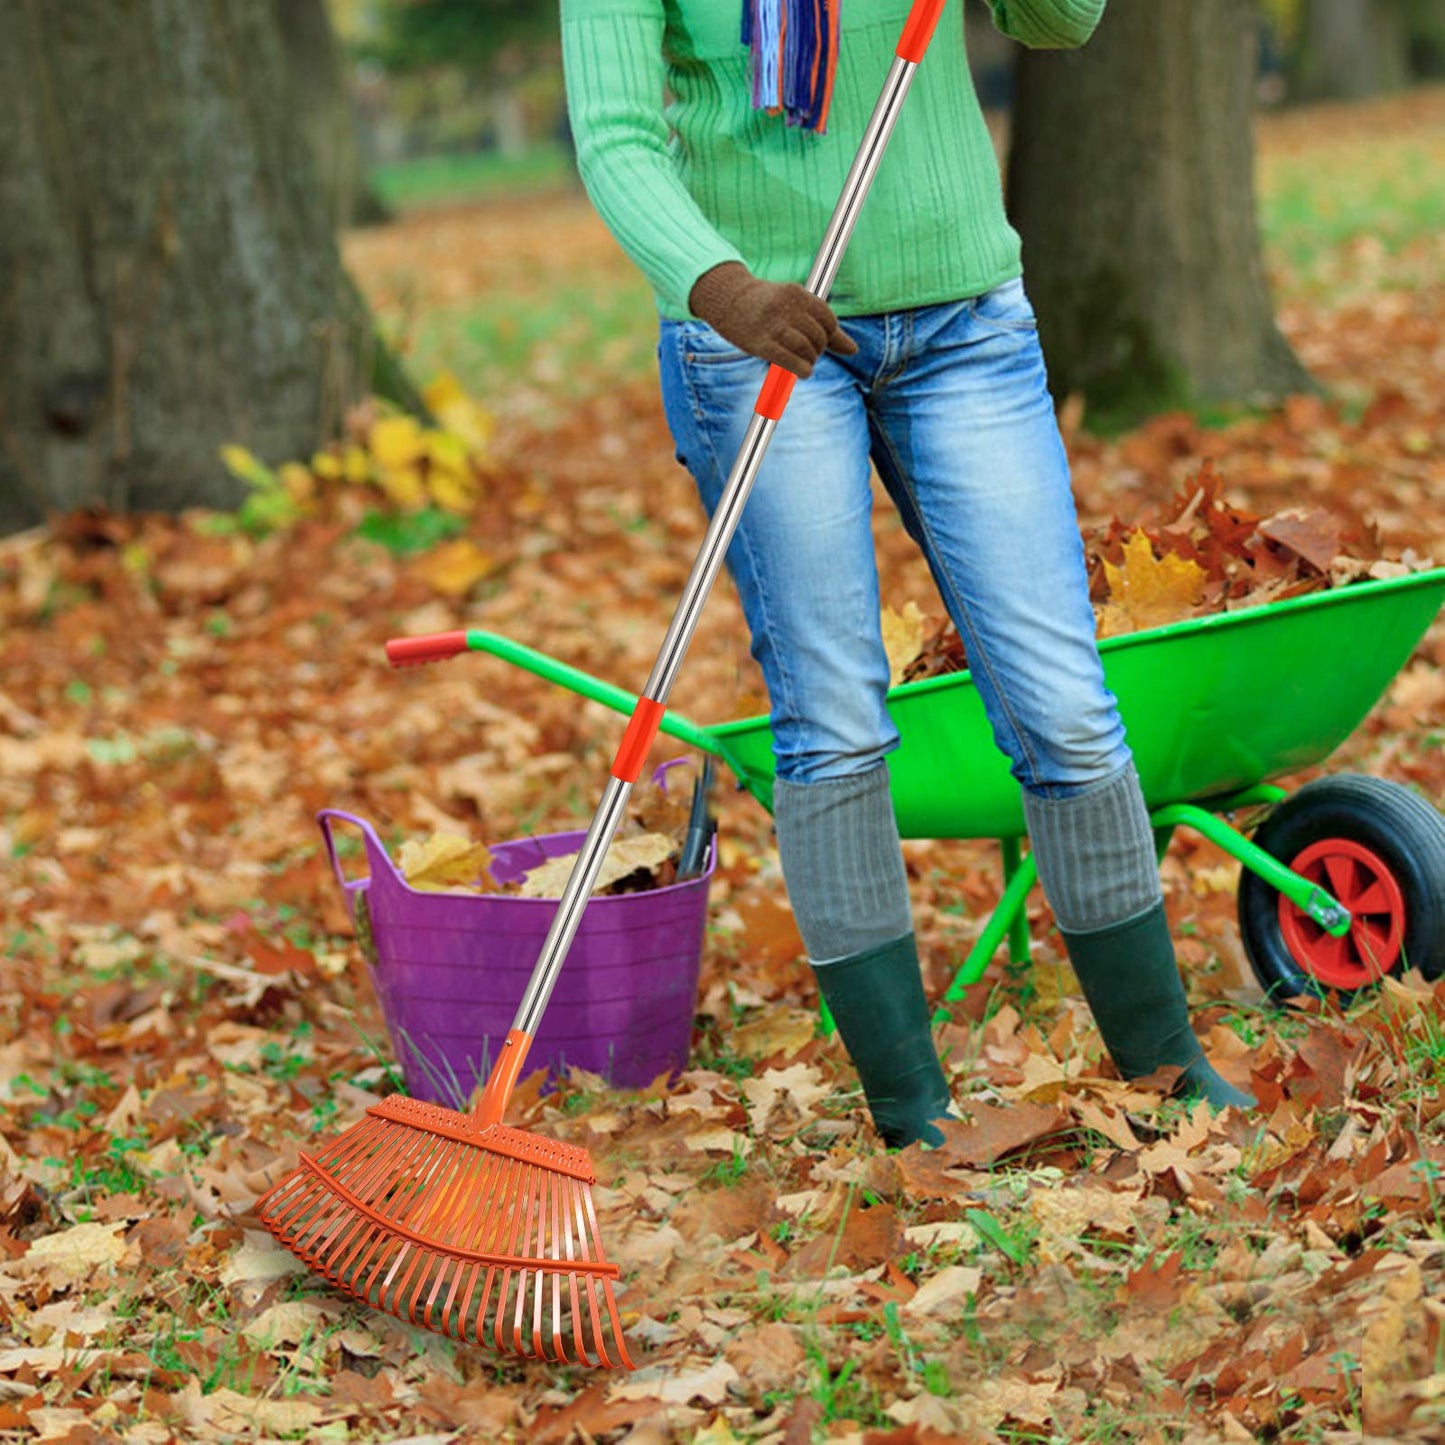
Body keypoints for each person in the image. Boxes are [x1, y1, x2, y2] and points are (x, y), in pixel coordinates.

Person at [560, 0, 1255, 1147]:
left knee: (1063, 704)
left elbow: (1059, 21)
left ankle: (1167, 1068)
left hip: (962, 323)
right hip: (759, 334)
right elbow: (616, 137)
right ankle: (912, 1115)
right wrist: (725, 291)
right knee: (831, 719)